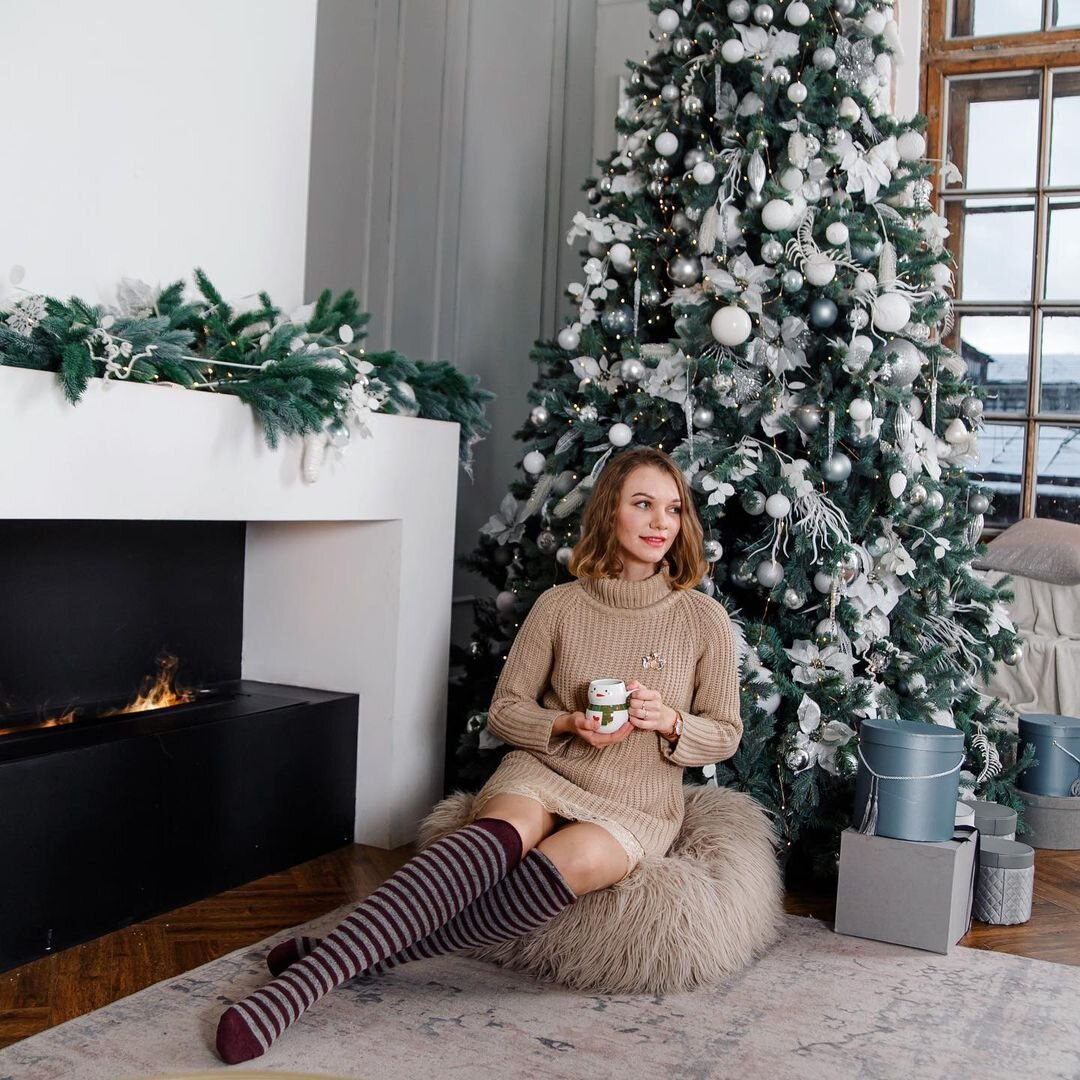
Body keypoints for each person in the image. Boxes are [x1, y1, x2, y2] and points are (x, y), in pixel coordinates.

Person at [215, 446, 742, 1064]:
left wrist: (671, 721)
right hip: (546, 772)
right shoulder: (559, 607)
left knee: (561, 867)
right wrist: (565, 722)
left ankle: (334, 955)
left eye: (673, 509)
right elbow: (506, 710)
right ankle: (298, 990)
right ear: (610, 512)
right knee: (497, 838)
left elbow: (725, 732)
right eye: (643, 504)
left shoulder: (702, 618)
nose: (660, 523)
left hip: (636, 801)